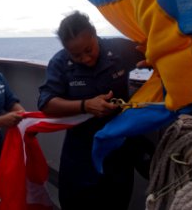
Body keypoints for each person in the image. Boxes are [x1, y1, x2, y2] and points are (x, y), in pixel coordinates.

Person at [38, 11, 148, 210]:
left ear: (95, 35)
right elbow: (46, 104)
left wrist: (153, 60)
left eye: (89, 50)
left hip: (118, 146)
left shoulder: (120, 49)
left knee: (117, 201)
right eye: (76, 55)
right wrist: (85, 105)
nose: (86, 58)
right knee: (75, 202)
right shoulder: (60, 63)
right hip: (81, 148)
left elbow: (153, 51)